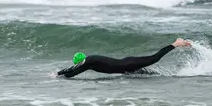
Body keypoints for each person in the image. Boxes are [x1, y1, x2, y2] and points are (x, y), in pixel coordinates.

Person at [56, 38, 192, 78]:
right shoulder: (89, 64)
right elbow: (73, 73)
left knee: (155, 58)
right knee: (151, 75)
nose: (79, 65)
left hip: (128, 64)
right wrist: (63, 76)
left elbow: (73, 69)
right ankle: (176, 76)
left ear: (80, 61)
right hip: (126, 69)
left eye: (78, 63)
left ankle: (176, 43)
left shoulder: (88, 60)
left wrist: (57, 73)